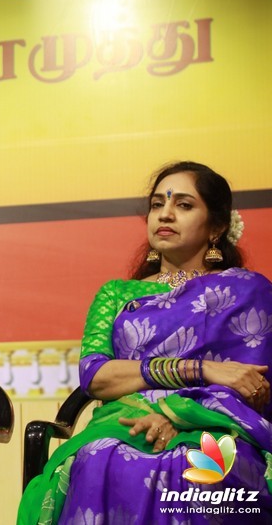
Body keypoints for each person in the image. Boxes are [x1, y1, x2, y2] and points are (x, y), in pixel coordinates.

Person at [19, 161, 272, 524]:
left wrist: (176, 414)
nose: (165, 214)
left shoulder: (249, 291)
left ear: (216, 226)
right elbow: (96, 375)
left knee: (201, 473)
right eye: (157, 205)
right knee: (100, 459)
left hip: (217, 426)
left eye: (184, 205)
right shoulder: (117, 294)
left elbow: (253, 386)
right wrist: (203, 369)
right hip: (122, 427)